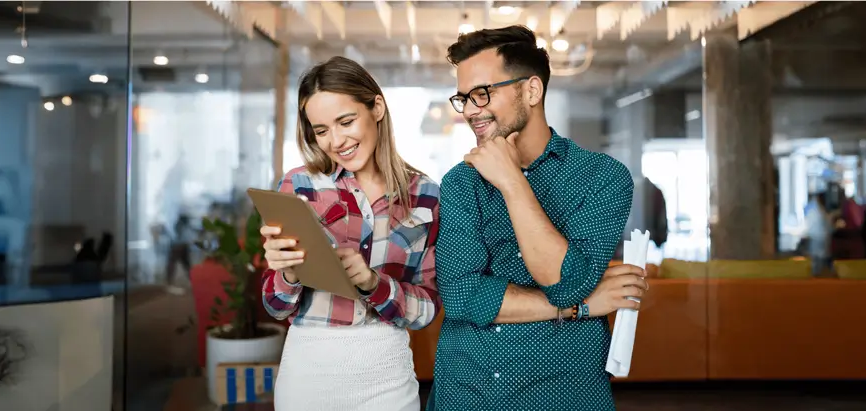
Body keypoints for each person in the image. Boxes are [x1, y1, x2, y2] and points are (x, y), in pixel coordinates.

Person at [428, 25, 649, 411]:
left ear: (531, 90)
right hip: (467, 392)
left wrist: (513, 183)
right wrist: (581, 306)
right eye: (463, 98)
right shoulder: (461, 182)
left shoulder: (602, 178)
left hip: (564, 392)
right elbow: (462, 297)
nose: (470, 111)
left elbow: (566, 283)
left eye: (483, 94)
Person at [258, 56, 441, 411]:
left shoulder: (426, 194)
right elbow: (275, 306)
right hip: (308, 377)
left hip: (388, 377)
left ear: (377, 107)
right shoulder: (298, 186)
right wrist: (290, 273)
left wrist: (375, 284)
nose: (336, 140)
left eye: (346, 121)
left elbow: (428, 310)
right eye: (321, 130)